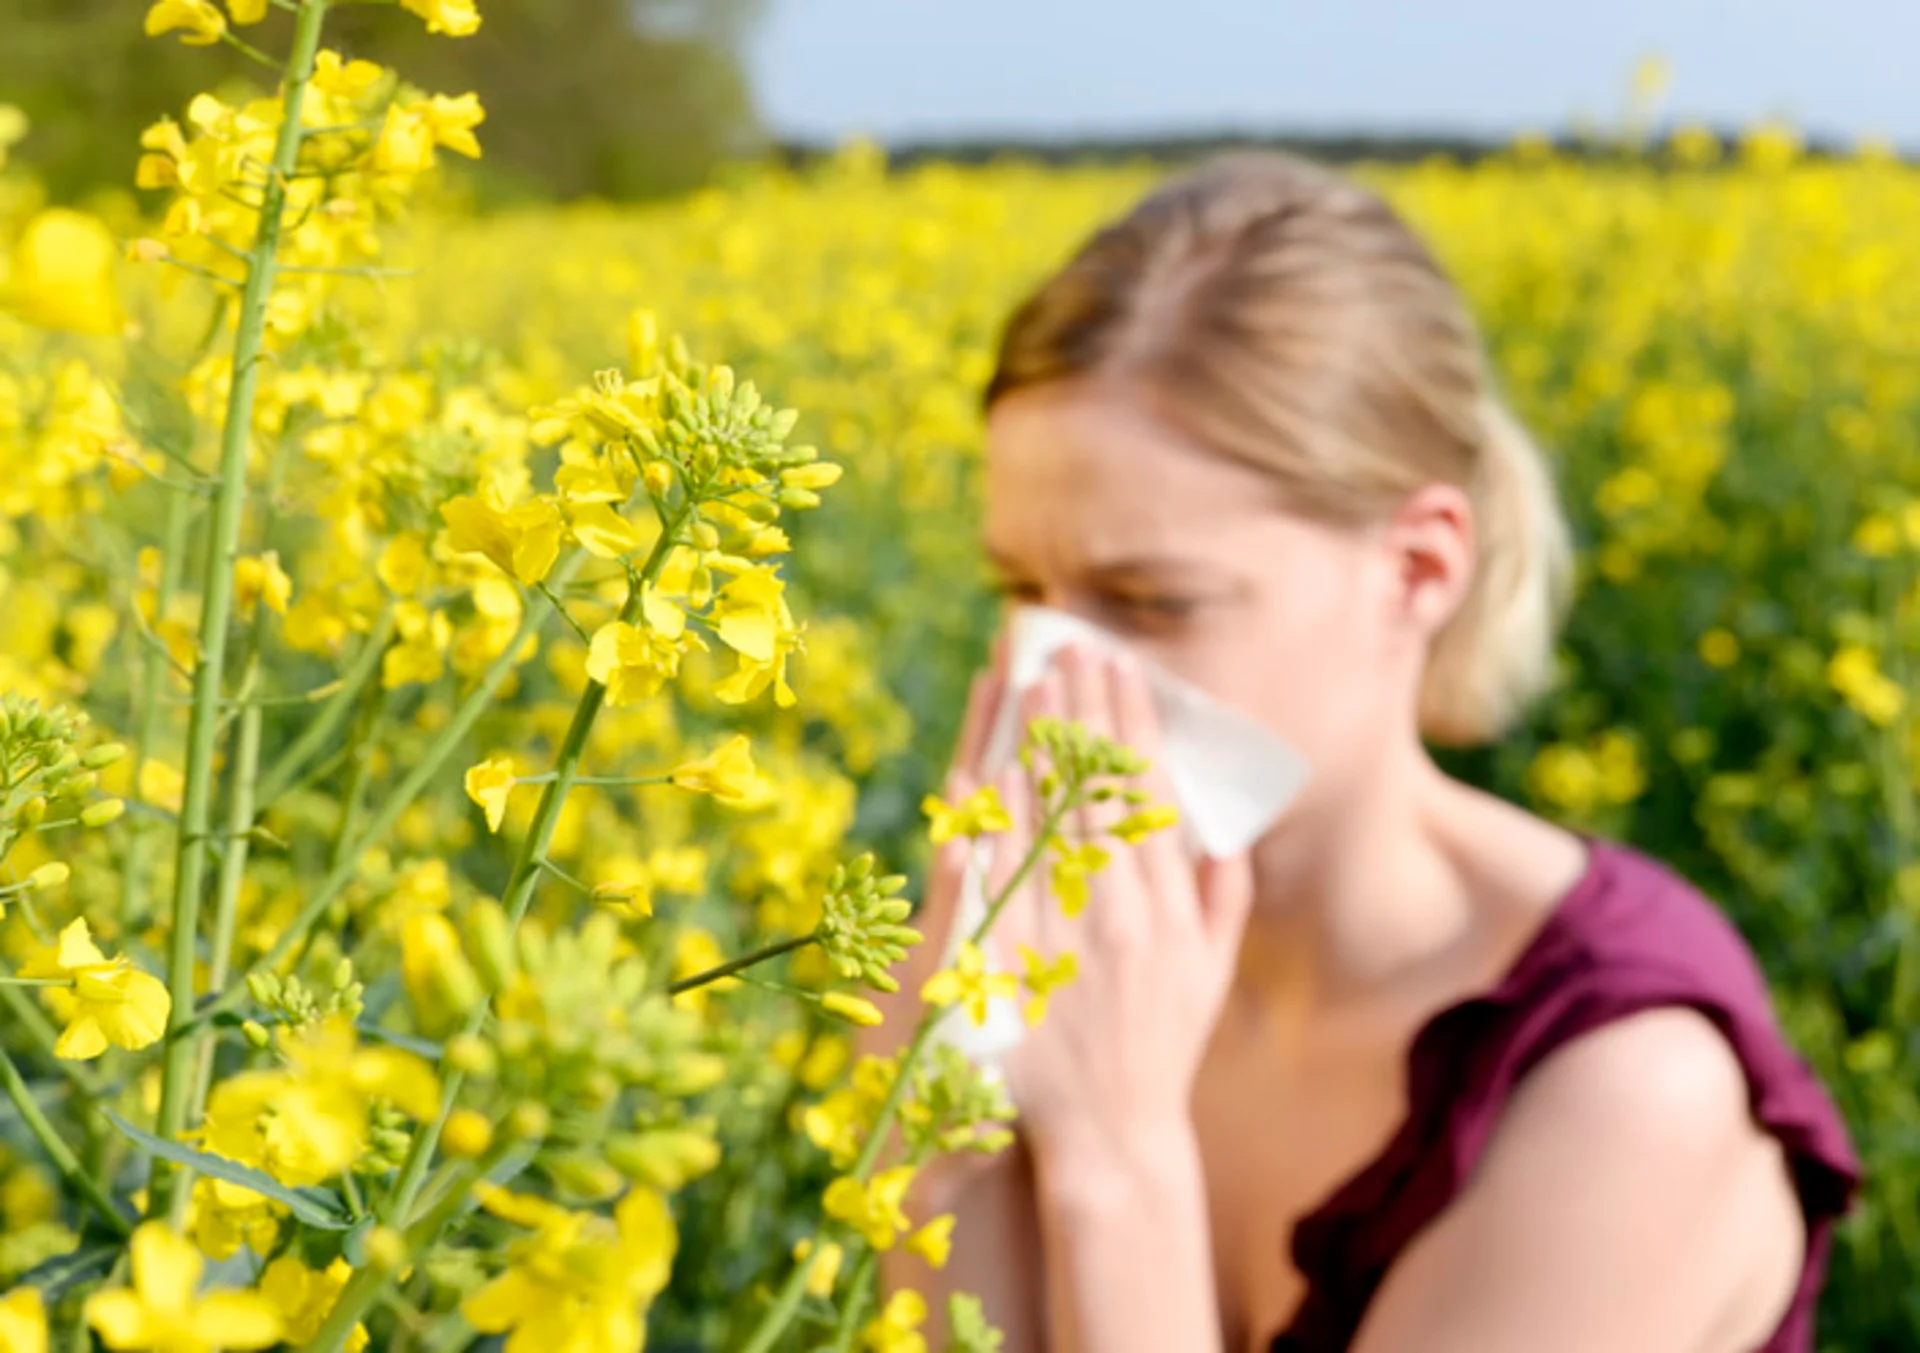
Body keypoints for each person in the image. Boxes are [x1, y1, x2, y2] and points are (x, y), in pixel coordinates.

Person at [863, 152, 1858, 1353]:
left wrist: (1114, 1163)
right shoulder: (1084, 963)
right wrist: (939, 1126)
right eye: (1021, 588)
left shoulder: (1617, 1085)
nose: (1058, 679)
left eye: (1153, 600)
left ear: (1418, 571)